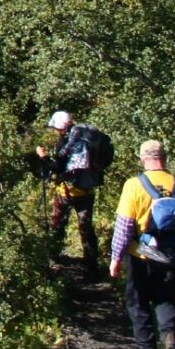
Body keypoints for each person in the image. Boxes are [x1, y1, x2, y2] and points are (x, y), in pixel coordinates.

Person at [110, 139, 175, 349]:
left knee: (137, 301)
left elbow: (124, 226)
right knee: (166, 298)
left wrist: (116, 258)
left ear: (142, 158)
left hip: (140, 256)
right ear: (163, 157)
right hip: (169, 256)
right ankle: (170, 337)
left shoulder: (134, 185)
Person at [36, 110, 105, 278]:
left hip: (66, 192)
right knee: (86, 228)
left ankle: (54, 261)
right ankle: (91, 267)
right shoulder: (88, 137)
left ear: (61, 127)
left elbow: (56, 167)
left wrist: (43, 157)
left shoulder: (66, 141)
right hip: (87, 192)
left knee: (58, 225)